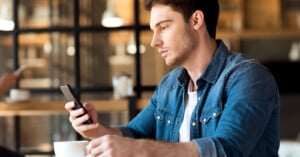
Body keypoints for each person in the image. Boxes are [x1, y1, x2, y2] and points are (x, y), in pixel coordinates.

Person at [65, 0, 280, 156]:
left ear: (196, 20)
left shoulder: (249, 78)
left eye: (164, 27)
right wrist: (99, 131)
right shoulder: (170, 85)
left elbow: (226, 150)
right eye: (153, 30)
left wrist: (141, 150)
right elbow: (135, 133)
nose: (154, 41)